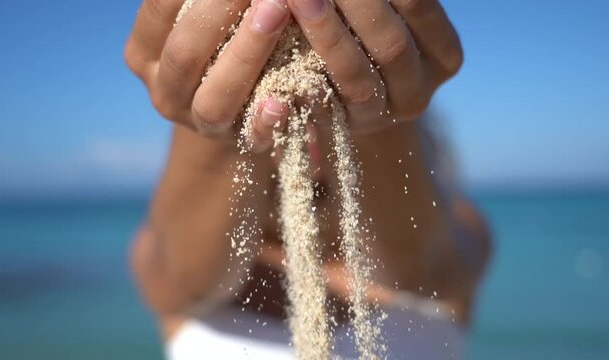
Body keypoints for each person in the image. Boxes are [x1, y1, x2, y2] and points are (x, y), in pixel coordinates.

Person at [125, 0, 491, 358]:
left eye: (330, 89)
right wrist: (218, 114)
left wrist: (377, 113)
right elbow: (184, 278)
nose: (308, 115)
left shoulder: (455, 225)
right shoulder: (186, 251)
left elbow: (421, 267)